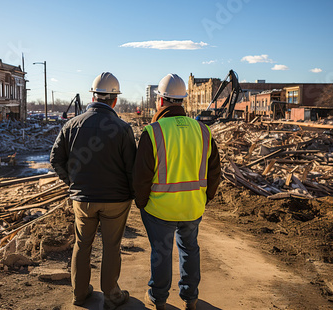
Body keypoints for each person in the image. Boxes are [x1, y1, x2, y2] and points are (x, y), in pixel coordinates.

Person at [133, 74, 221, 310]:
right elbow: (215, 172)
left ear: (160, 101)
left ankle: (158, 299)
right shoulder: (203, 131)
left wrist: (142, 203)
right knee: (190, 249)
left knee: (161, 252)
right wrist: (205, 198)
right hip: (192, 207)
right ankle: (190, 298)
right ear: (182, 101)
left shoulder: (153, 132)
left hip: (160, 209)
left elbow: (140, 177)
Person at [50, 72, 136, 309]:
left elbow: (56, 159)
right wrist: (131, 194)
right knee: (112, 247)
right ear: (115, 100)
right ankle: (111, 295)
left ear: (93, 96)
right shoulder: (123, 128)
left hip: (83, 199)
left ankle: (79, 294)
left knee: (82, 244)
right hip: (116, 201)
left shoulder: (71, 125)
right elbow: (132, 169)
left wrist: (74, 184)